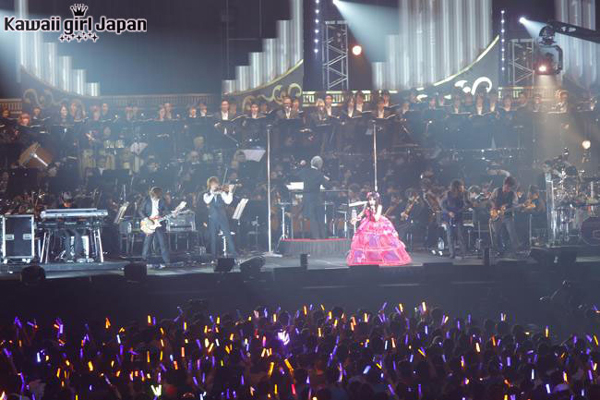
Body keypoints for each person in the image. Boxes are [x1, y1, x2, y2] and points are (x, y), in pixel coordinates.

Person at [347, 191, 412, 266]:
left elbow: (376, 218)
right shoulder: (366, 205)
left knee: (381, 242)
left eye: (373, 199)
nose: (371, 201)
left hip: (378, 224)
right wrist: (356, 218)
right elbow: (362, 213)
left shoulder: (379, 206)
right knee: (368, 242)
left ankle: (382, 258)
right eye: (370, 199)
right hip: (367, 223)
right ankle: (370, 258)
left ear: (377, 200)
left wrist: (373, 211)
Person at [295, 156, 330, 239]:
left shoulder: (305, 171)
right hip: (317, 198)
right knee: (320, 218)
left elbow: (296, 174)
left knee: (312, 219)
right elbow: (327, 186)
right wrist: (326, 179)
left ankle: (316, 237)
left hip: (307, 198)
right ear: (320, 165)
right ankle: (323, 237)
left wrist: (300, 165)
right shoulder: (320, 174)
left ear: (311, 163)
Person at [203, 176, 238, 259]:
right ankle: (214, 257)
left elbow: (228, 201)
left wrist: (230, 192)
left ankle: (234, 255)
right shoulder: (206, 194)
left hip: (222, 218)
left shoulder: (221, 193)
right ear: (210, 185)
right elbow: (207, 201)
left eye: (216, 184)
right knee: (213, 238)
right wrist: (213, 193)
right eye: (213, 184)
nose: (215, 185)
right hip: (212, 219)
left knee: (228, 236)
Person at [139, 187, 171, 268]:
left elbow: (167, 210)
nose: (159, 196)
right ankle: (144, 259)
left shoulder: (162, 201)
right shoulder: (147, 200)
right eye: (158, 194)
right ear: (154, 194)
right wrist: (146, 219)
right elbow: (140, 210)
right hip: (149, 223)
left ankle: (167, 261)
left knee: (163, 242)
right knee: (147, 242)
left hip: (159, 223)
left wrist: (163, 215)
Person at [489, 176, 520, 257]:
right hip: (496, 216)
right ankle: (500, 250)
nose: (508, 189)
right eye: (507, 187)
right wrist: (493, 206)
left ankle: (516, 250)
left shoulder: (513, 194)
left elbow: (515, 206)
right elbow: (491, 199)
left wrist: (507, 209)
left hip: (508, 216)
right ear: (504, 184)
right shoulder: (496, 190)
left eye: (510, 188)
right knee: (497, 234)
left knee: (512, 233)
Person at [441, 179, 470, 259]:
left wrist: (461, 209)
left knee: (460, 235)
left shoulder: (464, 193)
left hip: (459, 215)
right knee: (450, 235)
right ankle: (452, 253)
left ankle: (463, 253)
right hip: (449, 216)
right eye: (460, 186)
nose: (462, 187)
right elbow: (442, 204)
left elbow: (467, 204)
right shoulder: (448, 193)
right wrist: (448, 212)